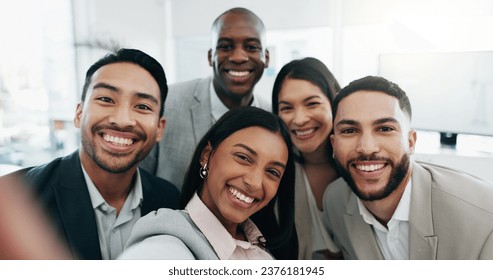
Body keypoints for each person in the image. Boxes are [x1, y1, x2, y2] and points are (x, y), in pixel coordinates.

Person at [4, 48, 180, 260]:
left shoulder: (170, 200)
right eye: (106, 99)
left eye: (142, 106)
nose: (122, 120)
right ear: (79, 114)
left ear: (159, 128)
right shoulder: (18, 200)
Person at [324, 75, 493, 259]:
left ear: (411, 142)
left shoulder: (484, 217)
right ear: (334, 145)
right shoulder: (335, 201)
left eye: (385, 129)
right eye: (349, 131)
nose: (367, 147)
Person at [119, 107, 295, 260]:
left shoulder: (260, 249)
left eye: (273, 172)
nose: (255, 183)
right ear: (207, 155)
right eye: (243, 158)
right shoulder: (166, 245)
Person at [140, 7, 271, 191]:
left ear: (266, 57)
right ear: (211, 57)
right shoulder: (168, 102)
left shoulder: (272, 117)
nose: (238, 57)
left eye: (251, 47)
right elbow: (138, 179)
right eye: (225, 46)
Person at [272, 57, 342, 259]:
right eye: (286, 108)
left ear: (335, 101)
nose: (300, 119)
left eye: (312, 104)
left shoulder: (361, 168)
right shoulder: (275, 175)